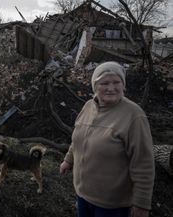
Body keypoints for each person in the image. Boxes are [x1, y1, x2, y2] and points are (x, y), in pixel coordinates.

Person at [59, 61, 155, 217]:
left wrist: (142, 204)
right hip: (83, 195)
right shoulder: (89, 106)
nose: (111, 88)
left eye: (116, 82)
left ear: (123, 85)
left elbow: (143, 163)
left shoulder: (134, 115)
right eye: (104, 83)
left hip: (112, 205)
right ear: (95, 87)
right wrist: (68, 160)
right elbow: (79, 137)